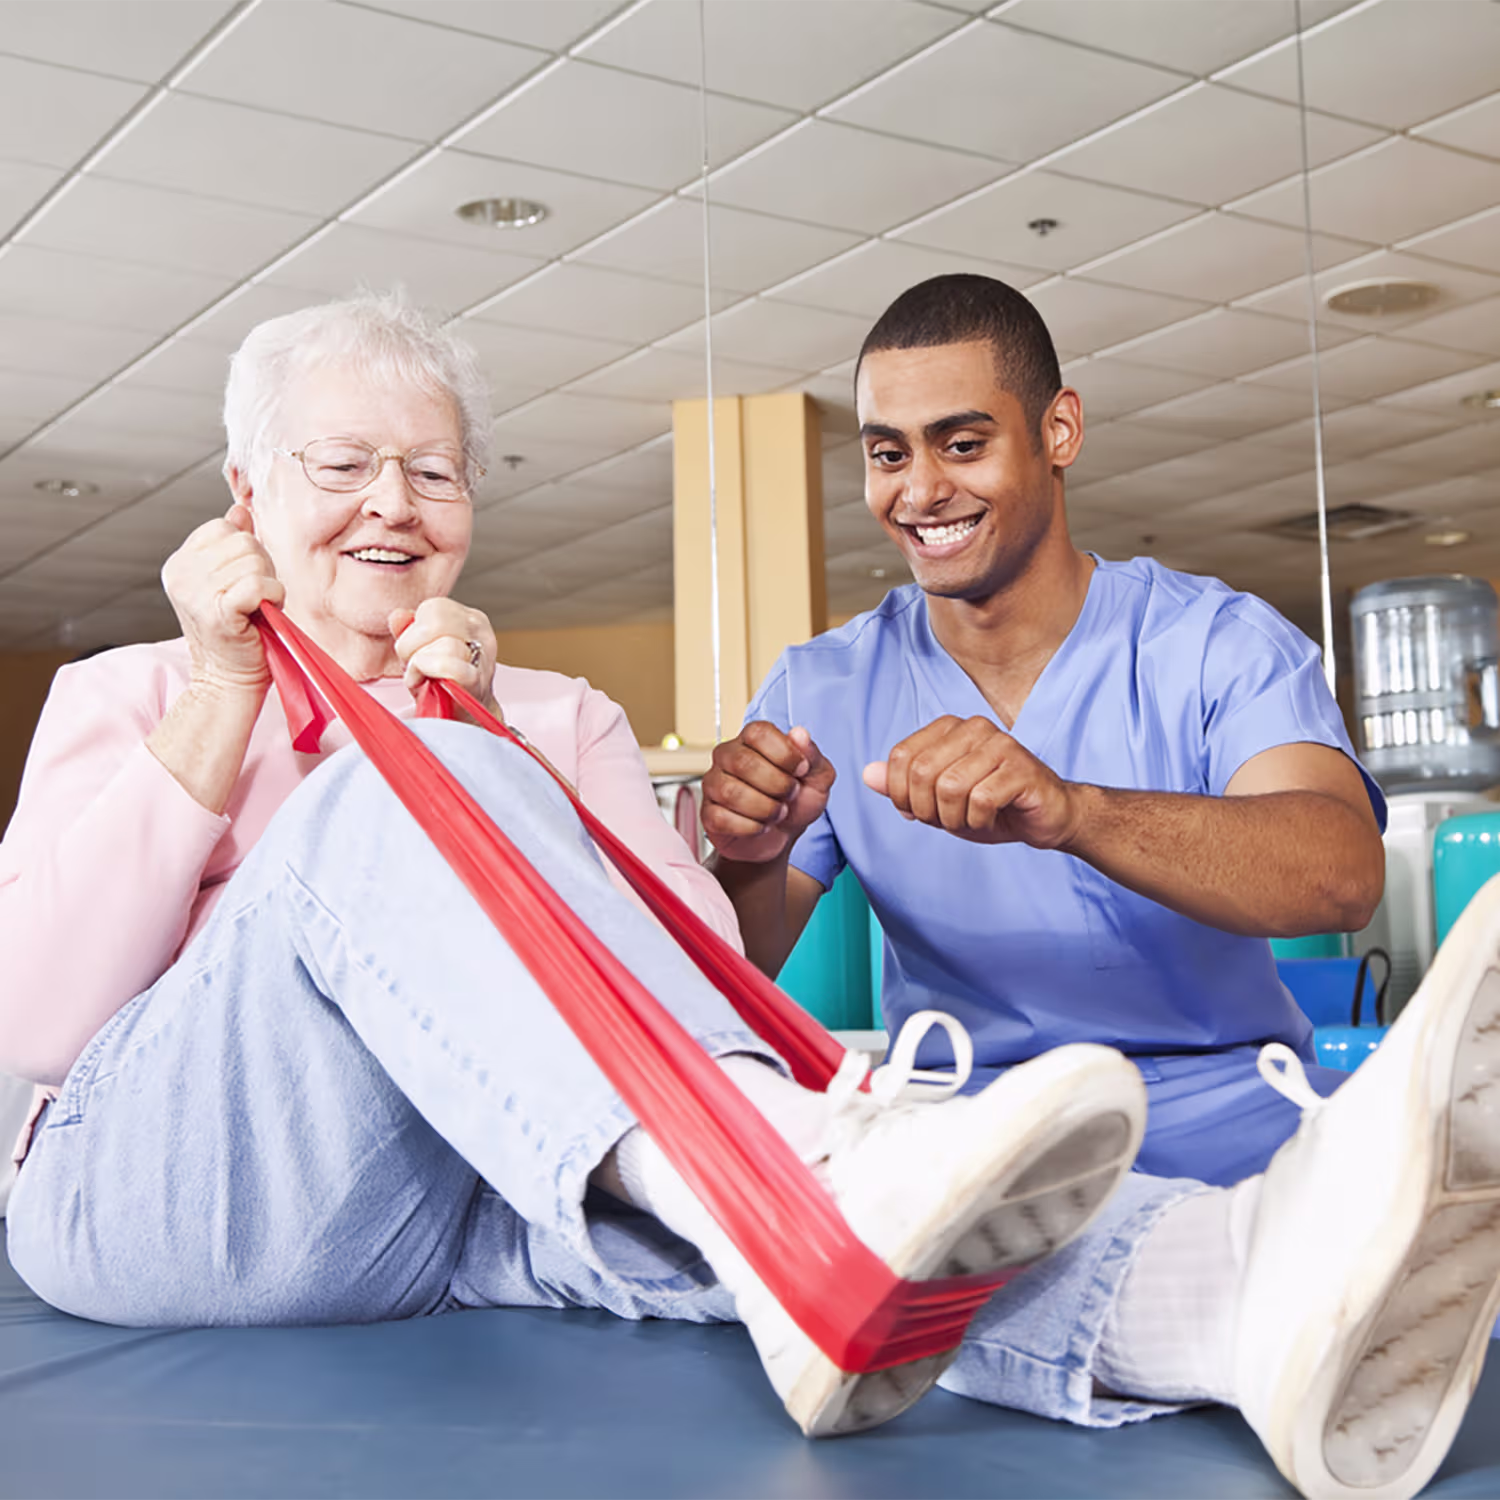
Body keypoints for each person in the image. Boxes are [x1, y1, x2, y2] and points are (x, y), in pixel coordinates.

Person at [4, 290, 1499, 1500]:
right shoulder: (129, 689)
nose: (392, 503)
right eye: (340, 468)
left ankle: (1227, 1296)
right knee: (398, 795)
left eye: (434, 469)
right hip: (155, 1193)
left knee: (758, 1231)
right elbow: (36, 1027)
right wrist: (234, 692)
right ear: (248, 494)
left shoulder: (558, 715)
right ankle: (802, 1168)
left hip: (441, 1204)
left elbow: (684, 984)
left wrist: (491, 742)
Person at [701, 272, 1388, 1187]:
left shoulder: (1215, 641)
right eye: (888, 454)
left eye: (963, 443)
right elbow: (722, 979)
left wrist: (1073, 811)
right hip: (964, 1149)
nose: (922, 490)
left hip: (1228, 1125)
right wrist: (748, 855)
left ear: (1057, 431)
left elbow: (1339, 877)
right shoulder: (819, 686)